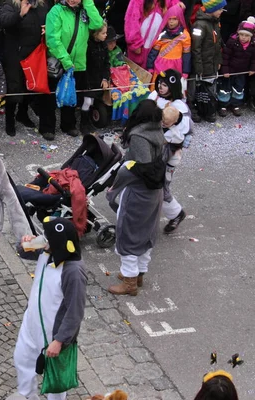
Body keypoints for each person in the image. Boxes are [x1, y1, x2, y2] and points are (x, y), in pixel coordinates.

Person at [7, 217, 87, 400]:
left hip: (53, 334)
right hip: (32, 322)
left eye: (48, 237)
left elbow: (75, 311)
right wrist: (25, 244)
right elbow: (24, 252)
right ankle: (26, 395)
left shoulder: (73, 271)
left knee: (56, 381)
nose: (44, 240)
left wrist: (60, 341)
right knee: (22, 360)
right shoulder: (48, 252)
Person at [107, 100, 165, 295]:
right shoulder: (157, 131)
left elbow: (138, 167)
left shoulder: (139, 136)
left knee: (129, 234)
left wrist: (114, 187)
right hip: (155, 193)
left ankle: (129, 283)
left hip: (139, 193)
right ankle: (138, 274)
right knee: (146, 234)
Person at [45, 0, 104, 137]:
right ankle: (47, 127)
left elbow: (97, 24)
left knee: (71, 95)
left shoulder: (84, 11)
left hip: (78, 63)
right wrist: (65, 60)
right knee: (50, 95)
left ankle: (68, 125)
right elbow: (52, 39)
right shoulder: (56, 11)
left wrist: (88, 3)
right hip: (59, 61)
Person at [0, 0, 53, 138]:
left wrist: (47, 28)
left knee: (29, 85)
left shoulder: (42, 5)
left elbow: (50, 22)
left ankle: (22, 114)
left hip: (34, 53)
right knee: (14, 87)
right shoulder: (11, 4)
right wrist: (19, 14)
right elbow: (4, 21)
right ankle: (9, 120)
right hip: (15, 53)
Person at [148, 69, 190, 233]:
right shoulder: (154, 96)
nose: (160, 87)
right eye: (159, 83)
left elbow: (182, 134)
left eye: (165, 85)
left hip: (168, 154)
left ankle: (176, 214)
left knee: (162, 185)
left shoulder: (180, 108)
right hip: (150, 148)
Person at [190, 0, 225, 123]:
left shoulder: (215, 22)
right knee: (198, 89)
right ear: (212, 9)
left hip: (212, 63)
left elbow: (218, 43)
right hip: (203, 65)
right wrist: (199, 67)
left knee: (210, 87)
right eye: (220, 9)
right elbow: (196, 48)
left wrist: (219, 60)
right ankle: (197, 110)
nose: (222, 11)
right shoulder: (199, 25)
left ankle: (209, 110)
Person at [124, 0, 181, 69]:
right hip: (140, 49)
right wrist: (135, 43)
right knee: (136, 75)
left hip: (155, 49)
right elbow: (131, 22)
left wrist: (177, 6)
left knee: (151, 71)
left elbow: (173, 10)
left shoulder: (164, 2)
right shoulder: (137, 1)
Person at [218, 17, 255, 117]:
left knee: (238, 88)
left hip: (242, 72)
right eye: (241, 34)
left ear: (250, 36)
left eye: (246, 35)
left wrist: (252, 68)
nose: (243, 37)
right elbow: (225, 57)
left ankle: (235, 104)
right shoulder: (232, 42)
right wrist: (225, 70)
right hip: (229, 71)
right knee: (225, 89)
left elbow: (253, 59)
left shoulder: (252, 44)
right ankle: (223, 105)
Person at [146, 4, 191, 82]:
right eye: (169, 19)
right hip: (160, 66)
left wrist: (185, 71)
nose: (171, 22)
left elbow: (186, 55)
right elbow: (153, 52)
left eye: (174, 19)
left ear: (179, 19)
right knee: (159, 87)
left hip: (176, 68)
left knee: (173, 89)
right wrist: (150, 67)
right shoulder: (162, 34)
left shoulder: (185, 35)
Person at [83, 22, 110, 134]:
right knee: (87, 101)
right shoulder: (88, 45)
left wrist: (105, 78)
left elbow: (106, 63)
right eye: (103, 33)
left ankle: (89, 120)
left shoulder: (104, 46)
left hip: (98, 79)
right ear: (95, 34)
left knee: (93, 100)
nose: (105, 35)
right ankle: (83, 123)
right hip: (88, 78)